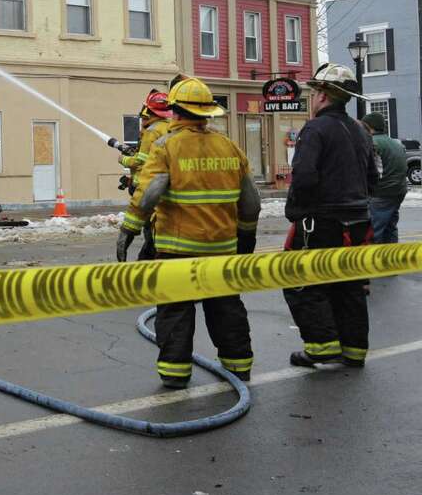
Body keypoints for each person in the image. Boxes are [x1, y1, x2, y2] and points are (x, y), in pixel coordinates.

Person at [117, 76, 261, 388]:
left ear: (175, 111)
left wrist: (129, 228)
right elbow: (251, 201)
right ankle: (238, 369)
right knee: (226, 309)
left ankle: (175, 373)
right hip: (222, 248)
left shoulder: (166, 146)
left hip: (177, 249)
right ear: (208, 113)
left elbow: (151, 190)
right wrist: (246, 236)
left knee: (175, 311)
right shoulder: (229, 147)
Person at [282, 64, 376, 369]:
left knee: (299, 279)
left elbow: (305, 177)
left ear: (321, 95)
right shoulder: (360, 130)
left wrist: (296, 211)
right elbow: (373, 177)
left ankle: (320, 347)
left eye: (313, 93)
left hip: (321, 222)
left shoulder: (315, 129)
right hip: (359, 222)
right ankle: (354, 349)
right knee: (349, 284)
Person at [118, 89, 174, 260]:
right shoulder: (170, 127)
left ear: (148, 111)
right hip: (165, 184)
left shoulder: (152, 131)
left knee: (149, 226)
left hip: (146, 186)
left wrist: (124, 159)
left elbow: (141, 162)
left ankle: (150, 255)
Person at [361, 111, 407, 245]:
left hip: (381, 193)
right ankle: (392, 259)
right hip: (398, 191)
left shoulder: (373, 143)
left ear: (369, 127)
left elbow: (369, 170)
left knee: (374, 231)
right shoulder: (396, 143)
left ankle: (374, 261)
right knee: (390, 227)